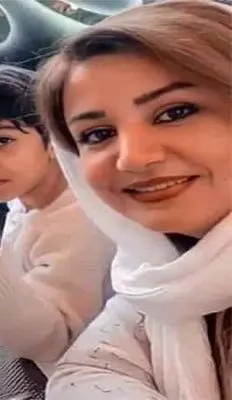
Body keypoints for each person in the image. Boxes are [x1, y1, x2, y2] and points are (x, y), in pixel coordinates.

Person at [34, 0, 231, 398]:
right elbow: (83, 368)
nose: (133, 158)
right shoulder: (158, 277)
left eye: (175, 112)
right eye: (98, 135)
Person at [0, 65, 116, 376]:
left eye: (1, 140)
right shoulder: (27, 201)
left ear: (53, 137)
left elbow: (51, 343)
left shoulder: (82, 219)